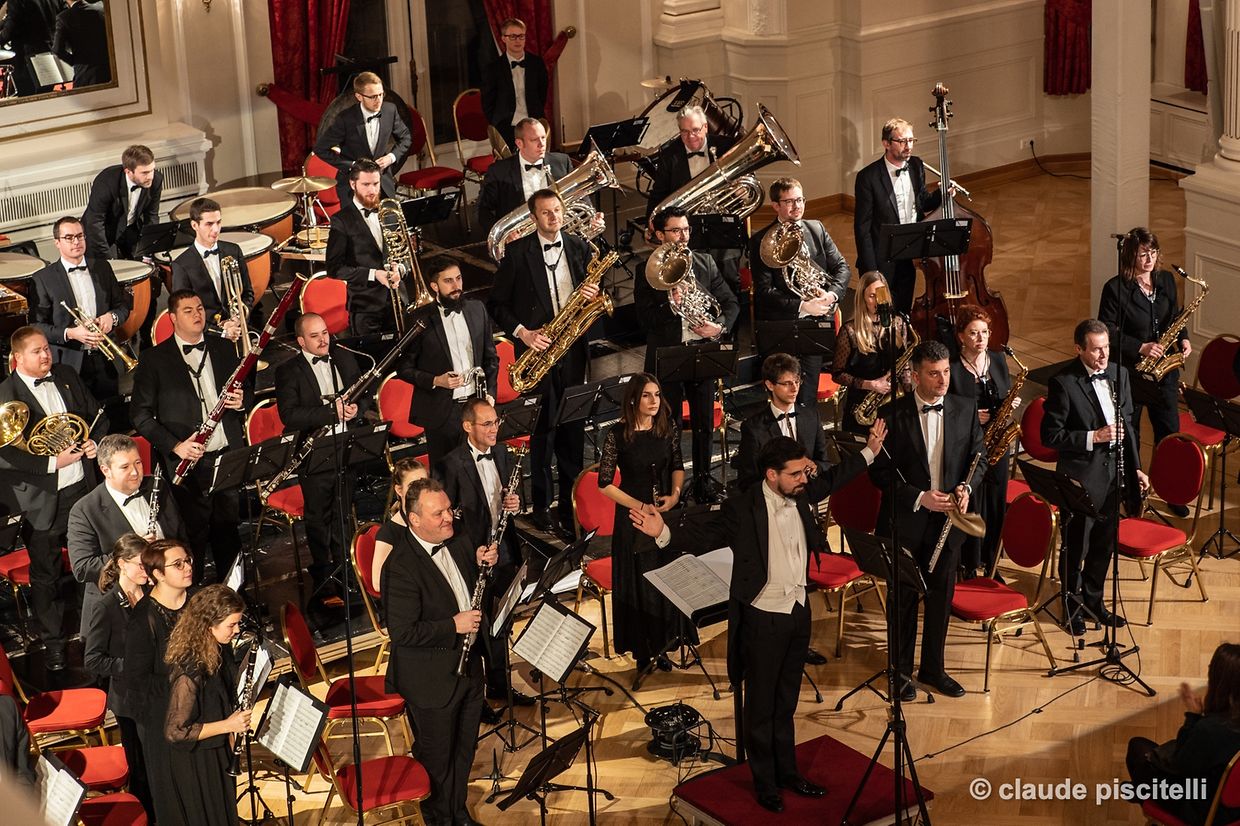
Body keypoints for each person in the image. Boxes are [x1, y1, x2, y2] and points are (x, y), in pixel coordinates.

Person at [632, 437, 873, 813]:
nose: (804, 479)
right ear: (772, 475)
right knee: (760, 706)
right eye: (795, 474)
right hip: (763, 615)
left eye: (804, 472)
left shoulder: (801, 493)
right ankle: (765, 782)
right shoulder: (743, 507)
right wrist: (662, 532)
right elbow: (705, 534)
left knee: (786, 701)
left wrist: (870, 450)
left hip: (798, 611)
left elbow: (833, 479)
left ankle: (788, 772)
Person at [868, 339, 987, 700]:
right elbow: (879, 474)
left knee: (940, 600)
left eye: (946, 371)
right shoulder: (891, 415)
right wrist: (920, 497)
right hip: (907, 523)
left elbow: (979, 457)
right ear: (916, 376)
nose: (943, 380)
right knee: (903, 602)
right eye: (934, 373)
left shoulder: (965, 408)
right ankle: (900, 673)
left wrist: (966, 487)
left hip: (948, 524)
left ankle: (933, 669)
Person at [384, 478, 498, 826]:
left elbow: (472, 589)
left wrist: (484, 566)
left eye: (449, 509)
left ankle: (457, 811)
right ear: (414, 519)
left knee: (464, 749)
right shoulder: (400, 566)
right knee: (437, 759)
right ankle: (439, 818)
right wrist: (453, 625)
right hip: (431, 680)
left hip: (469, 667)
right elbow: (403, 633)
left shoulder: (458, 537)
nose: (449, 517)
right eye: (439, 513)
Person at [487, 189, 598, 540]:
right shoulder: (517, 253)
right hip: (537, 351)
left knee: (573, 431)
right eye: (546, 213)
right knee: (542, 435)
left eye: (557, 210)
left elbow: (591, 290)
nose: (554, 217)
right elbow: (496, 304)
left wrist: (592, 295)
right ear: (533, 218)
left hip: (572, 350)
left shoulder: (579, 247)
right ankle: (541, 509)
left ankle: (571, 507)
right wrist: (523, 333)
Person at [0, 326, 104, 670]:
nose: (46, 355)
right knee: (46, 576)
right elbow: (4, 455)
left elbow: (96, 415)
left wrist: (94, 441)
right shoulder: (4, 394)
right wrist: (51, 463)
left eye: (47, 348)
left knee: (93, 563)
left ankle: (95, 634)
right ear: (18, 358)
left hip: (82, 489)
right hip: (41, 500)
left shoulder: (66, 375)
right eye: (37, 351)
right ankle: (54, 645)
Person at [131, 290, 249, 582]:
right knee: (191, 538)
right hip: (188, 465)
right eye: (188, 310)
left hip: (227, 456)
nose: (197, 314)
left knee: (229, 533)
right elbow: (140, 416)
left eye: (199, 308)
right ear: (172, 318)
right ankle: (191, 599)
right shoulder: (154, 359)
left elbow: (246, 389)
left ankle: (234, 595)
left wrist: (241, 402)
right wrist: (176, 446)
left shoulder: (224, 347)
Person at [1041, 318, 1149, 635]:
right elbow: (1050, 436)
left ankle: (1094, 602)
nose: (1103, 356)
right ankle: (1071, 607)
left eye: (1106, 348)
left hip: (1115, 475)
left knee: (1104, 544)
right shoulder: (1063, 383)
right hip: (1081, 478)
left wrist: (1136, 467)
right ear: (1079, 349)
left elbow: (1129, 427)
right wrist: (1093, 437)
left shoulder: (1120, 374)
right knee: (1077, 546)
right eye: (1096, 350)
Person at [636, 207, 739, 502]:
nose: (683, 236)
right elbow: (643, 322)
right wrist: (670, 304)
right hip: (668, 355)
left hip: (701, 351)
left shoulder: (704, 262)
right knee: (669, 426)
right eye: (676, 231)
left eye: (686, 230)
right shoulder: (647, 270)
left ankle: (704, 482)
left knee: (704, 423)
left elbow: (731, 303)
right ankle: (671, 489)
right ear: (660, 235)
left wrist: (718, 327)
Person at [273, 312, 371, 606]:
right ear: (301, 341)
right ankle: (324, 578)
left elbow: (364, 393)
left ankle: (348, 574)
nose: (323, 340)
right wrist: (330, 413)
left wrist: (357, 408)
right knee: (318, 519)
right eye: (314, 336)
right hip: (314, 453)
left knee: (344, 514)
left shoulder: (343, 357)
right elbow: (290, 416)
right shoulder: (288, 371)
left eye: (325, 333)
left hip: (346, 447)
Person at [439, 398, 529, 713]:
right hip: (473, 557)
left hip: (504, 550)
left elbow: (514, 497)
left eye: (496, 422)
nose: (494, 429)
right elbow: (445, 522)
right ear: (468, 426)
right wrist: (472, 550)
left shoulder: (502, 453)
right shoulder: (450, 464)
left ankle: (500, 686)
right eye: (487, 424)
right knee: (477, 629)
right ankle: (476, 698)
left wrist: (516, 503)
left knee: (501, 622)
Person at [1098, 228, 1192, 514]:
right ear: (1131, 256)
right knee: (1131, 434)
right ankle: (1133, 494)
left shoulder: (1166, 281)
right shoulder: (1115, 288)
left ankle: (1172, 492)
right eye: (1142, 254)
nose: (1149, 259)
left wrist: (1183, 337)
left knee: (1169, 432)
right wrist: (1141, 347)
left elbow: (1174, 316)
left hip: (1164, 374)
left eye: (1153, 252)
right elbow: (1107, 331)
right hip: (1132, 374)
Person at [597, 374, 685, 673]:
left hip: (663, 514)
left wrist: (674, 496)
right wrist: (640, 505)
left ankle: (665, 643)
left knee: (665, 577)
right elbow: (604, 484)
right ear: (634, 399)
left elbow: (677, 466)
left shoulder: (667, 428)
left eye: (657, 395)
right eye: (647, 395)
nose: (654, 401)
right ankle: (643, 651)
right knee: (641, 582)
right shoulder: (617, 435)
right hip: (633, 517)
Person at [68, 433, 185, 638]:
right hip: (121, 610)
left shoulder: (157, 486)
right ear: (106, 470)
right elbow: (82, 567)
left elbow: (180, 535)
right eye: (125, 467)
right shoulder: (84, 510)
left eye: (138, 463)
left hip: (168, 594)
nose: (135, 472)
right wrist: (133, 553)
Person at [751, 177, 851, 407]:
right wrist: (803, 306)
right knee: (783, 399)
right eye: (789, 202)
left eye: (800, 200)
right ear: (775, 205)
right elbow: (764, 291)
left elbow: (842, 267)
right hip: (783, 326)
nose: (797, 206)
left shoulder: (816, 229)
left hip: (814, 327)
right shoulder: (760, 240)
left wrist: (830, 295)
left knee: (807, 398)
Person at [396, 259, 498, 468]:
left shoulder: (477, 308)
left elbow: (491, 358)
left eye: (458, 279)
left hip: (476, 406)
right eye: (448, 281)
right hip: (443, 412)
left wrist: (490, 393)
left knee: (481, 470)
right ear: (435, 286)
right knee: (446, 475)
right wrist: (436, 380)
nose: (456, 285)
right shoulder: (419, 319)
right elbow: (403, 368)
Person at [163, 584, 250, 826]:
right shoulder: (190, 670)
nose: (237, 630)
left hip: (217, 749)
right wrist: (228, 725)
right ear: (209, 624)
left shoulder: (218, 649)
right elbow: (175, 731)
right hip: (198, 762)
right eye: (231, 625)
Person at [1126, 642, 1240, 825]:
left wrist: (1193, 717)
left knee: (1138, 748)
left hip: (1205, 811)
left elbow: (1179, 766)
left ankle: (1142, 793)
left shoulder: (1211, 729)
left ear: (1221, 682)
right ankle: (1139, 789)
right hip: (1234, 808)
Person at [124, 539, 194, 824]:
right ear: (158, 574)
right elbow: (137, 682)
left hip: (203, 714)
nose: (187, 567)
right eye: (178, 564)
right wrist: (183, 683)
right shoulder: (143, 619)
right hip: (164, 720)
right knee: (177, 800)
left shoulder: (197, 601)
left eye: (188, 560)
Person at [83, 533, 153, 819]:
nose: (147, 571)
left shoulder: (151, 594)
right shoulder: (106, 606)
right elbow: (93, 660)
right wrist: (132, 665)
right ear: (122, 564)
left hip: (156, 690)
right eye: (141, 565)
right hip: (129, 701)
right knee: (141, 768)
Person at [31, 216, 130, 408]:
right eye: (69, 238)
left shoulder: (102, 267)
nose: (76, 242)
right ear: (57, 242)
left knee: (112, 411)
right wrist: (71, 333)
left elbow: (122, 306)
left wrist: (112, 317)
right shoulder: (42, 278)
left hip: (105, 358)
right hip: (69, 363)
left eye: (80, 236)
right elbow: (36, 326)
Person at [947, 305, 1016, 579]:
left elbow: (1005, 393)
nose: (981, 338)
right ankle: (968, 563)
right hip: (967, 445)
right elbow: (945, 407)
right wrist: (971, 415)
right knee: (972, 501)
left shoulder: (997, 359)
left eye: (985, 332)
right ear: (961, 337)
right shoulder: (952, 368)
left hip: (996, 443)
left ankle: (991, 562)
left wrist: (1009, 404)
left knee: (996, 503)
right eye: (974, 333)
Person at [645, 105, 740, 294]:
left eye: (696, 130)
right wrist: (650, 222)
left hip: (724, 228)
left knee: (730, 280)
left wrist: (742, 191)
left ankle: (730, 314)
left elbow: (747, 176)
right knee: (696, 281)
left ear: (705, 127)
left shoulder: (726, 146)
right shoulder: (669, 154)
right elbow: (659, 193)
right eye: (685, 132)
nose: (691, 136)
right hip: (689, 230)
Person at [854, 118, 944, 314]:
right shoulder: (867, 177)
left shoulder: (916, 165)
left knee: (903, 309)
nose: (908, 146)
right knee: (881, 312)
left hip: (909, 251)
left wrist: (942, 193)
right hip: (881, 257)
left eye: (911, 140)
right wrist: (871, 272)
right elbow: (862, 228)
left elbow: (922, 203)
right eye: (902, 141)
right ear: (886, 143)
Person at [325, 159, 406, 335]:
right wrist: (373, 274)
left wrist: (400, 269)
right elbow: (334, 268)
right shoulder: (341, 220)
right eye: (366, 184)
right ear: (352, 184)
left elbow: (403, 253)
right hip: (365, 307)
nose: (372, 190)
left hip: (398, 300)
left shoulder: (391, 211)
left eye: (376, 184)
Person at [833, 270, 914, 435]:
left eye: (881, 294)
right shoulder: (850, 331)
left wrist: (909, 397)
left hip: (892, 404)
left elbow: (904, 364)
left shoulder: (898, 324)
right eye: (871, 296)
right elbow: (837, 374)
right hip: (862, 404)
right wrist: (870, 384)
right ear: (862, 298)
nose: (877, 300)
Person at [314, 71, 412, 204]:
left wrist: (391, 157)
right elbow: (320, 148)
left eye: (381, 94)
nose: (379, 100)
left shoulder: (390, 110)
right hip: (352, 186)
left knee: (391, 217)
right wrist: (352, 165)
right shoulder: (345, 119)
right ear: (359, 96)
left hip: (382, 184)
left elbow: (406, 137)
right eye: (373, 97)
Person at [170, 197, 255, 344]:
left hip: (238, 330)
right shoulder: (181, 265)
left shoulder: (233, 250)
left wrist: (237, 320)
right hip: (208, 338)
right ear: (194, 225)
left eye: (218, 222)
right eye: (209, 224)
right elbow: (185, 313)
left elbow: (247, 293)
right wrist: (221, 331)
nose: (216, 229)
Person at [477, 118, 571, 232]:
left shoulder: (562, 162)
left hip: (560, 232)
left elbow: (581, 197)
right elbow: (482, 210)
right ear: (519, 143)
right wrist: (504, 233)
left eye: (543, 138)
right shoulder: (498, 171)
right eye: (534, 140)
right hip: (519, 237)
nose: (542, 144)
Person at [81, 144, 165, 261]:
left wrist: (148, 249)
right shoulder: (106, 181)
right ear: (128, 171)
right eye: (145, 173)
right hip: (103, 233)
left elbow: (151, 216)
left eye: (152, 170)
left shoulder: (156, 180)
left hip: (130, 229)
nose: (150, 176)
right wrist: (107, 258)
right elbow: (95, 222)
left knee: (142, 265)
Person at [480, 18, 550, 152]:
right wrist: (496, 121)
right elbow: (487, 100)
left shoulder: (536, 63)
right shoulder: (493, 68)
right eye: (512, 36)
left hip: (533, 123)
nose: (518, 40)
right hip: (505, 125)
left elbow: (542, 93)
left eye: (521, 36)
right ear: (503, 38)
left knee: (536, 159)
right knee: (510, 163)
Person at [372, 457, 429, 591]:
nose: (421, 490)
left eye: (424, 483)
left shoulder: (436, 518)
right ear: (399, 490)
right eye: (413, 485)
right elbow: (377, 583)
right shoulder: (389, 533)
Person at [0, 0, 60, 96]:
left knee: (28, 96)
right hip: (50, 53)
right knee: (46, 95)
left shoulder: (16, 1)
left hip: (28, 58)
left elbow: (11, 27)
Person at [52, 0, 110, 87]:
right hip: (110, 72)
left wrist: (75, 61)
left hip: (86, 77)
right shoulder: (101, 8)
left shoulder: (64, 17)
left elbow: (57, 50)